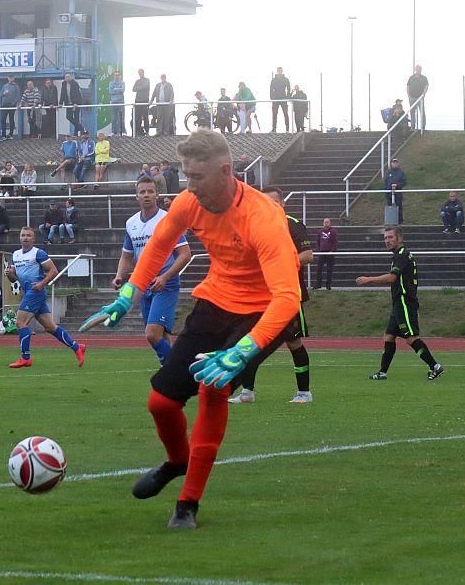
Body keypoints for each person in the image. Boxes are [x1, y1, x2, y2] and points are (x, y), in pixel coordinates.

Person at [79, 128, 302, 530]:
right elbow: (157, 248)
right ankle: (178, 460)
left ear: (226, 171)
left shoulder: (264, 218)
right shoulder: (189, 202)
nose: (188, 185)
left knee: (213, 387)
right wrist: (128, 295)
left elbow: (287, 299)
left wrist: (243, 351)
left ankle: (188, 504)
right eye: (185, 176)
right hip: (215, 301)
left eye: (196, 177)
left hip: (262, 312)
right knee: (160, 403)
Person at [228, 187, 315, 404]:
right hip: (259, 296)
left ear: (282, 204)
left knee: (294, 343)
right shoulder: (255, 226)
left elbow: (308, 255)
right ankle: (247, 392)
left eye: (274, 202)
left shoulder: (292, 224)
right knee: (249, 340)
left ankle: (304, 392)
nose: (269, 206)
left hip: (287, 296)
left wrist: (281, 265)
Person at [113, 177, 193, 366]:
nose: (146, 195)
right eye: (142, 192)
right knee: (162, 335)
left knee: (151, 334)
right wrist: (119, 275)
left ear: (157, 194)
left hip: (165, 283)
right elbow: (126, 255)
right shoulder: (131, 223)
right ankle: (169, 378)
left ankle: (178, 370)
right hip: (143, 284)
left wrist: (165, 277)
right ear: (136, 197)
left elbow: (185, 254)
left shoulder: (167, 219)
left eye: (150, 191)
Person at [357, 226, 445, 381]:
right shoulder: (399, 255)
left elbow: (392, 278)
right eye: (385, 238)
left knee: (411, 338)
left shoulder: (402, 255)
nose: (387, 241)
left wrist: (369, 279)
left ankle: (435, 366)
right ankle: (382, 372)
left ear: (400, 238)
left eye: (390, 237)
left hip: (405, 302)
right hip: (399, 302)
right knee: (389, 336)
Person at [5, 227, 88, 369]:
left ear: (33, 238)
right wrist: (9, 274)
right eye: (23, 235)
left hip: (35, 292)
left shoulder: (38, 253)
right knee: (50, 327)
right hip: (29, 292)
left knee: (20, 322)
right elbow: (14, 279)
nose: (25, 237)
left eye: (28, 235)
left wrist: (42, 283)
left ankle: (25, 358)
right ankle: (77, 347)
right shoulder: (15, 255)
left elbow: (53, 270)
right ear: (19, 237)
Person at [313, 217, 338, 290]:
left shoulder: (333, 231)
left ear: (330, 223)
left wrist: (332, 251)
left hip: (330, 253)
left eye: (327, 222)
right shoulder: (320, 232)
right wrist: (319, 250)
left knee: (329, 270)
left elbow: (335, 242)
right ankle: (318, 285)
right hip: (322, 253)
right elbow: (318, 241)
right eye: (325, 222)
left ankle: (328, 285)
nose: (326, 223)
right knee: (319, 269)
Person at [406, 65, 429, 133]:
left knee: (422, 112)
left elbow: (426, 86)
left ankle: (423, 126)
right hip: (412, 97)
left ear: (421, 70)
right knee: (412, 112)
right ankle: (413, 126)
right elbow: (408, 86)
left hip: (420, 98)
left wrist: (423, 94)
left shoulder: (424, 78)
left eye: (419, 69)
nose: (418, 70)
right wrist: (408, 95)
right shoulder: (411, 77)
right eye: (417, 69)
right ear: (415, 70)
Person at [269, 67, 291, 132]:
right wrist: (272, 97)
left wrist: (287, 96)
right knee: (274, 114)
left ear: (282, 71)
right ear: (277, 71)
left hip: (283, 98)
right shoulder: (273, 80)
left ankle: (287, 129)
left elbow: (288, 88)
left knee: (285, 113)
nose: (279, 72)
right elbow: (271, 89)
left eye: (280, 70)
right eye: (278, 70)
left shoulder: (286, 79)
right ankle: (274, 128)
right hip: (275, 99)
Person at [385, 158, 407, 223]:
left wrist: (397, 185)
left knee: (399, 207)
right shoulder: (388, 172)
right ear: (391, 163)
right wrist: (386, 190)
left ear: (398, 163)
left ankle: (399, 222)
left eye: (396, 162)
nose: (395, 163)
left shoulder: (401, 172)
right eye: (393, 162)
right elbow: (386, 182)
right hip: (389, 194)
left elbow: (404, 182)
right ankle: (390, 222)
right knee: (389, 207)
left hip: (398, 194)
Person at [133, 69, 152, 137]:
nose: (140, 74)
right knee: (137, 117)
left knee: (145, 117)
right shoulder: (137, 81)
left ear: (143, 73)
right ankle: (139, 132)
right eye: (139, 73)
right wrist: (140, 87)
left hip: (145, 100)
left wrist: (139, 87)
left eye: (141, 72)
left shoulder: (147, 80)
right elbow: (133, 89)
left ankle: (147, 131)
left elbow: (145, 86)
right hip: (137, 101)